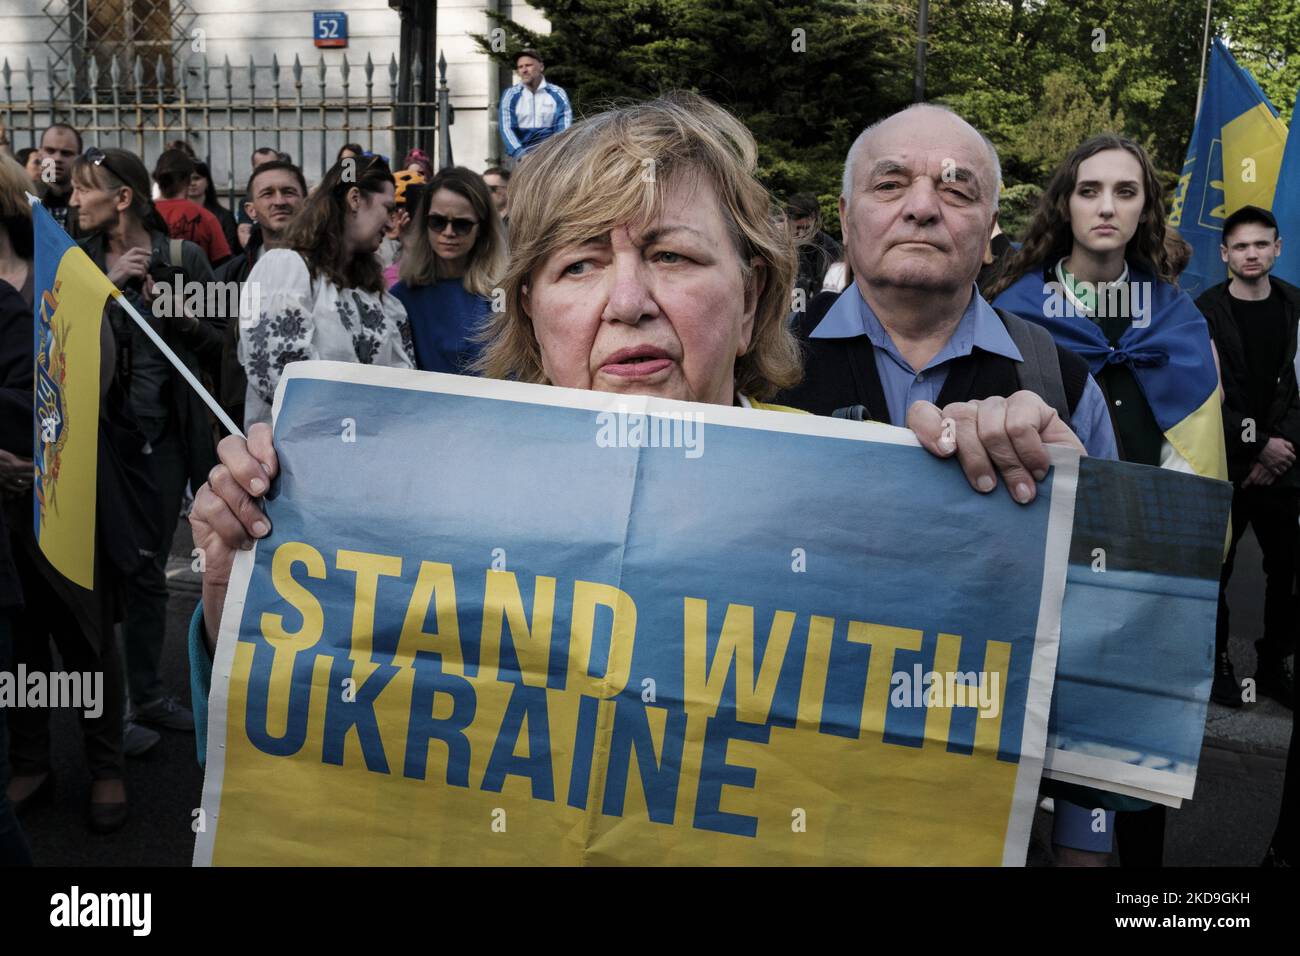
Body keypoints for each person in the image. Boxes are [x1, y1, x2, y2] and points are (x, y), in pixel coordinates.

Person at [188, 94, 1088, 778]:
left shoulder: (868, 503)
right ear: (532, 314)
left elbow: (1091, 741)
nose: (626, 302)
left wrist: (1048, 538)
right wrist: (232, 610)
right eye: (579, 263)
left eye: (673, 255)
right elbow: (294, 771)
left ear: (751, 307)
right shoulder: (421, 507)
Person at [986, 133, 1229, 868]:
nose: (1106, 206)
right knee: (1026, 757)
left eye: (1126, 192)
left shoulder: (1180, 319)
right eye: (1090, 189)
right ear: (1065, 202)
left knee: (1131, 759)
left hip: (1140, 560)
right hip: (1036, 559)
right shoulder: (1011, 314)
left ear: (1147, 208)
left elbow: (1199, 446)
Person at [779, 104, 1117, 469]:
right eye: (890, 185)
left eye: (956, 190)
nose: (922, 208)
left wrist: (1081, 492)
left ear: (989, 229)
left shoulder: (1064, 387)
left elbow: (1112, 526)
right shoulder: (765, 365)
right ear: (846, 219)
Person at [2, 153, 148, 833]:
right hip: (1, 503)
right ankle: (31, 759)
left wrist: (46, 458)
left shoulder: (61, 275)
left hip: (68, 490)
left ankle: (106, 764)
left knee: (88, 639)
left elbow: (97, 382)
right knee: (20, 639)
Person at [73, 146, 224, 739]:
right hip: (95, 442)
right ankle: (102, 713)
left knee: (145, 571)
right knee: (92, 575)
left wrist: (177, 311)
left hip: (161, 443)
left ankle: (149, 696)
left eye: (88, 188)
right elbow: (49, 340)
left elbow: (219, 343)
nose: (76, 198)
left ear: (124, 198)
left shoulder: (181, 256)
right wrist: (103, 289)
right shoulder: (76, 261)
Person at [1195, 205, 1298, 708]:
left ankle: (1274, 666)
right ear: (1225, 254)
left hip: (1289, 466)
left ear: (1277, 247)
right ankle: (1216, 668)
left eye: (1261, 244)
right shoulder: (1202, 311)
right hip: (1227, 465)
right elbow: (1200, 391)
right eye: (1240, 246)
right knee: (1217, 569)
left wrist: (1283, 447)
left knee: (1288, 572)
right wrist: (1259, 445)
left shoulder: (1298, 307)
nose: (1251, 254)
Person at [237, 153, 413, 429]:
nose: (392, 223)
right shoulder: (286, 268)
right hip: (300, 456)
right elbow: (280, 378)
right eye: (387, 208)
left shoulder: (376, 296)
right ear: (354, 199)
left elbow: (403, 381)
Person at [214, 159, 308, 432]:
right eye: (268, 193)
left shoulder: (330, 269)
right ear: (251, 210)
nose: (279, 201)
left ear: (305, 201)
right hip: (243, 419)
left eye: (288, 192)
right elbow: (218, 340)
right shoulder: (232, 274)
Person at [391, 166, 506, 373]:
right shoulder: (400, 298)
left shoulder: (500, 294)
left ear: (481, 228)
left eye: (462, 225)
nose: (448, 233)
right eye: (437, 222)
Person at [152, 149, 232, 267]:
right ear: (188, 179)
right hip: (196, 284)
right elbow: (224, 265)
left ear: (157, 179)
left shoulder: (140, 215)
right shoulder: (206, 217)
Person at [499, 49, 572, 160]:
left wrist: (553, 154)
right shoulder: (510, 95)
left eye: (528, 65)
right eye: (520, 67)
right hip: (520, 158)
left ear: (541, 67)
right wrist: (520, 154)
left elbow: (564, 128)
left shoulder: (557, 93)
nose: (524, 70)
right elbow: (506, 128)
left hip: (550, 156)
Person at [785, 192, 842, 301]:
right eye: (797, 228)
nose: (801, 235)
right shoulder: (778, 246)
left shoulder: (831, 250)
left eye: (806, 228)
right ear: (787, 221)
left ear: (816, 222)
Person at [36, 123, 82, 235]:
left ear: (79, 157)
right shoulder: (23, 198)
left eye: (66, 153)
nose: (57, 158)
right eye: (50, 151)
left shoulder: (89, 202)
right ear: (40, 154)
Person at [189, 160, 242, 255]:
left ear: (207, 182)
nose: (192, 183)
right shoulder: (176, 214)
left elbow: (231, 252)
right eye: (187, 179)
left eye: (196, 178)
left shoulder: (225, 217)